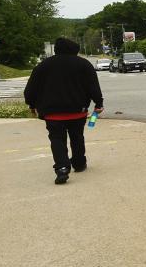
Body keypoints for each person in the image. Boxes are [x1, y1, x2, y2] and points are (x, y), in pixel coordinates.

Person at [24, 38, 104, 185]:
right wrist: (98, 103)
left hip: (52, 113)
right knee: (77, 137)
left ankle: (61, 168)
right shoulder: (83, 64)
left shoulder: (43, 66)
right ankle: (79, 163)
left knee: (56, 139)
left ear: (56, 49)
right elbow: (93, 86)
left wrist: (31, 105)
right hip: (77, 111)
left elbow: (31, 89)